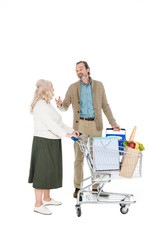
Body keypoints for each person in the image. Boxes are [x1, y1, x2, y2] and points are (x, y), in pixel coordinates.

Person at [56, 61, 120, 198]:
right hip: (80, 126)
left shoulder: (99, 85)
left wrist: (113, 123)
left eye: (80, 69)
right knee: (78, 158)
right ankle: (78, 187)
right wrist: (60, 105)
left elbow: (105, 106)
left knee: (97, 158)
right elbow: (65, 106)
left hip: (96, 125)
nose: (78, 71)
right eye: (76, 70)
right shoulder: (73, 87)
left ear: (88, 69)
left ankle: (96, 188)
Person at [28, 79, 79, 215]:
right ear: (46, 90)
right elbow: (51, 125)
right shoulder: (40, 105)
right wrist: (66, 134)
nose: (54, 90)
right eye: (52, 88)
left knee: (49, 171)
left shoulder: (48, 104)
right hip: (43, 142)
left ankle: (47, 198)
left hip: (52, 141)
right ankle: (38, 204)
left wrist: (72, 130)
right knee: (41, 172)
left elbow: (59, 123)